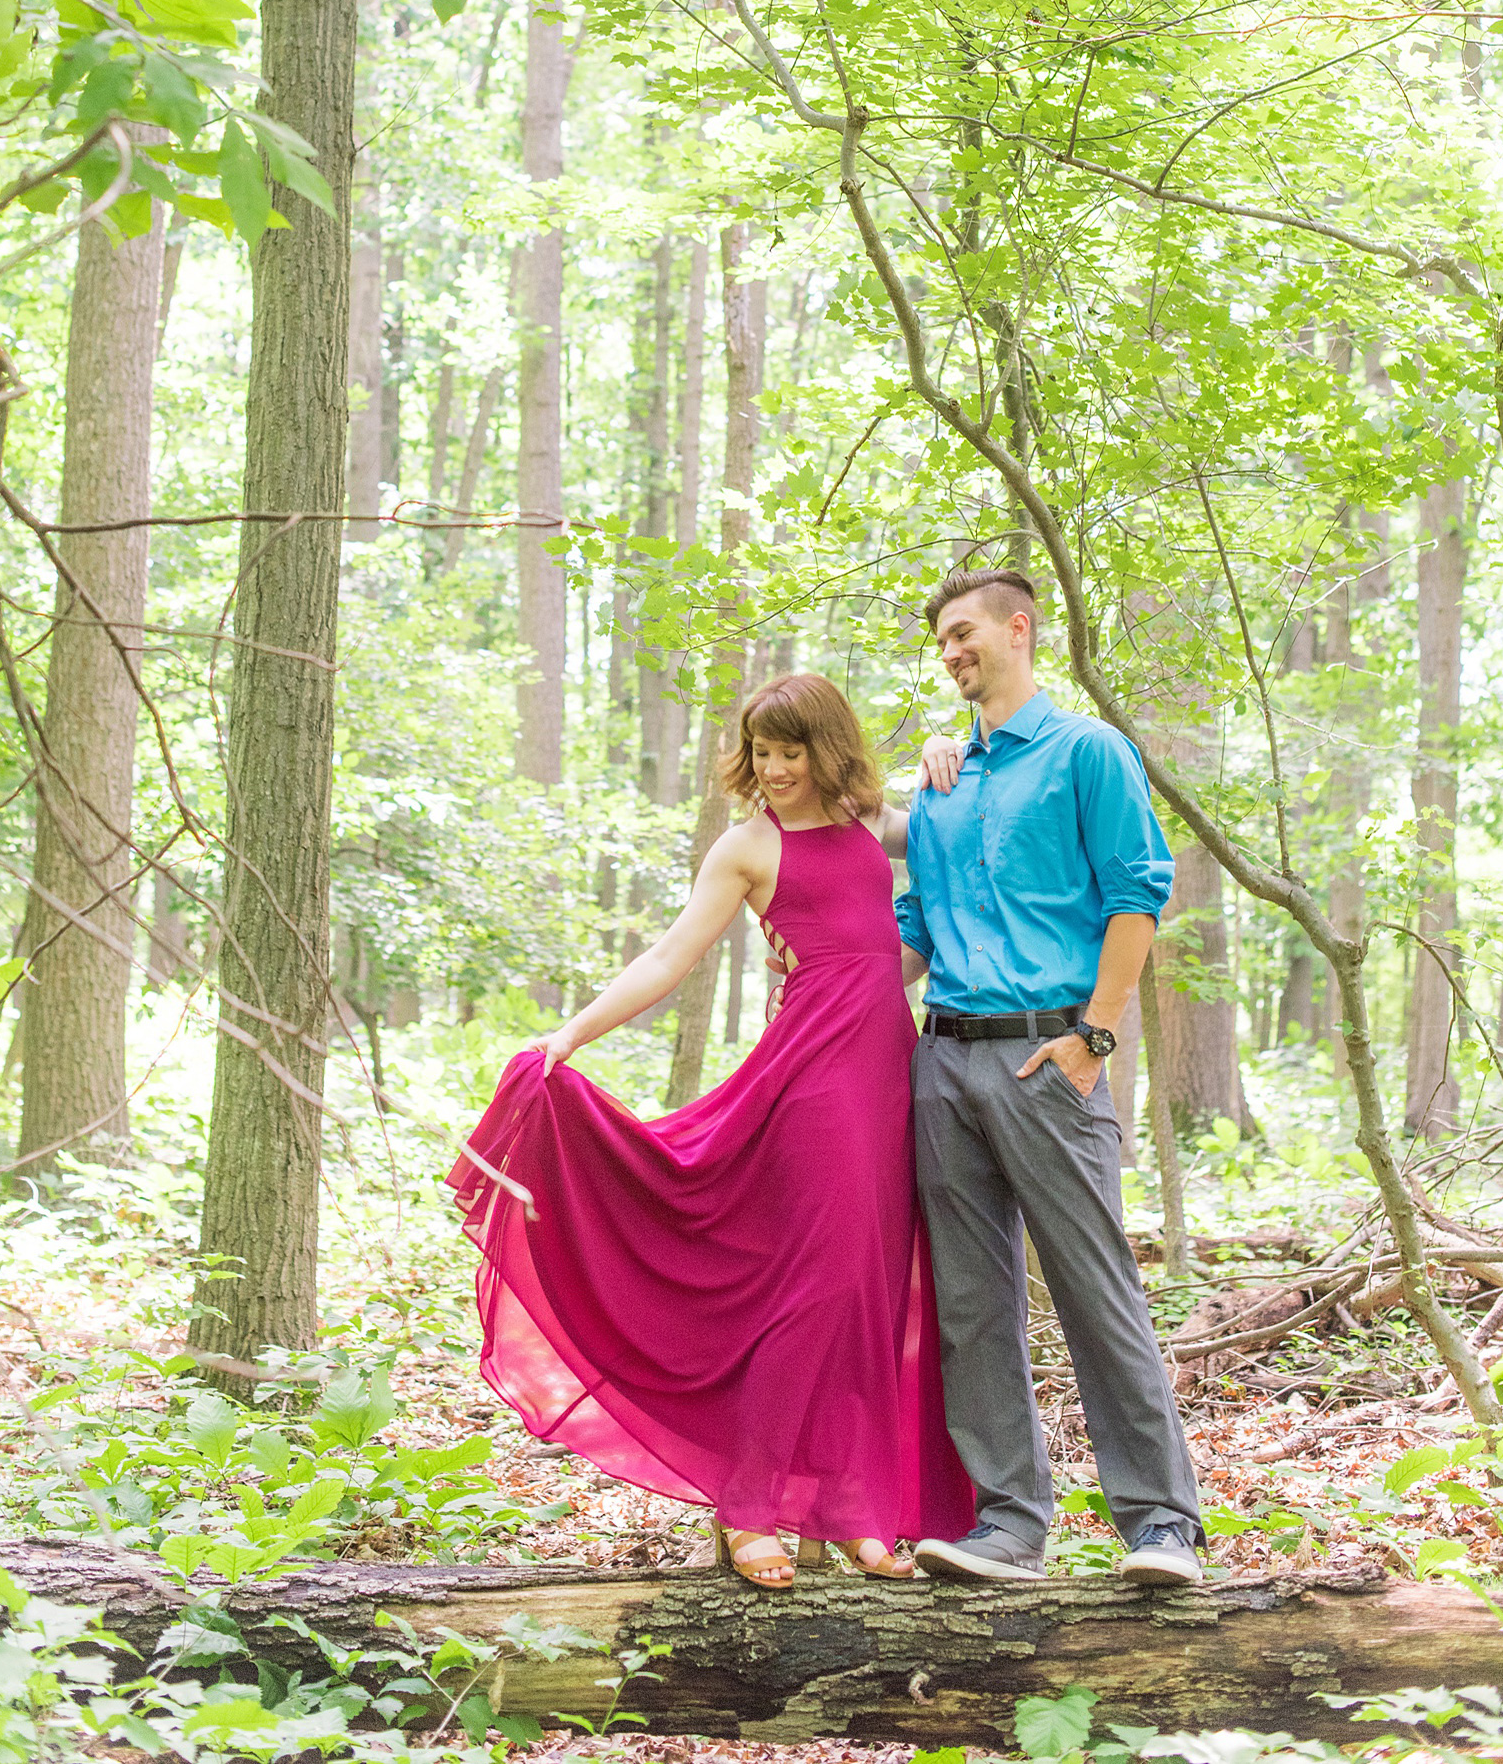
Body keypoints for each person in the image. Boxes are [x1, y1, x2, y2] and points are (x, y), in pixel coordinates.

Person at [448, 671, 974, 1592]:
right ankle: (750, 1504)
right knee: (817, 1285)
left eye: (790, 751)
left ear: (826, 747)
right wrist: (569, 1033)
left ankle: (854, 1504)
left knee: (870, 1289)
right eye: (762, 752)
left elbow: (955, 831)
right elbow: (669, 954)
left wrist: (952, 756)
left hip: (892, 1072)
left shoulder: (867, 822)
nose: (773, 769)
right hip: (812, 1079)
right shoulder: (747, 848)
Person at [898, 566, 1205, 1588]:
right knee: (970, 1302)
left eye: (963, 631)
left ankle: (1161, 1524)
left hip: (1048, 1059)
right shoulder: (938, 782)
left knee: (1092, 1286)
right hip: (942, 1059)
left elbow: (1133, 899)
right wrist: (811, 964)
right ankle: (1005, 1526)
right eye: (939, 640)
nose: (950, 651)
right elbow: (911, 932)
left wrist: (1093, 1039)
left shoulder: (1087, 752)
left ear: (1018, 628)